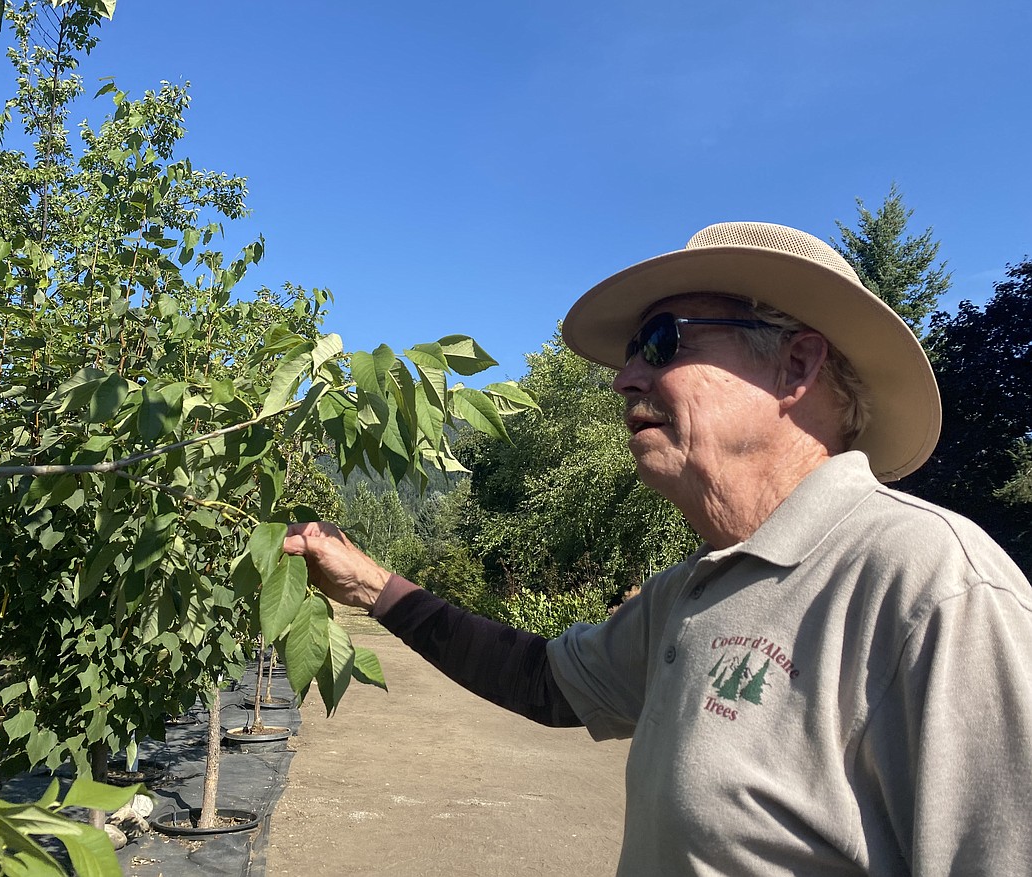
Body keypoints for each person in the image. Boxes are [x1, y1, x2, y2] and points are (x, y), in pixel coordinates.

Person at [283, 221, 1032, 875]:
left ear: (796, 366)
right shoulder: (691, 592)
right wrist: (372, 586)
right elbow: (543, 680)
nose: (623, 377)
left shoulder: (930, 589)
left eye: (662, 341)